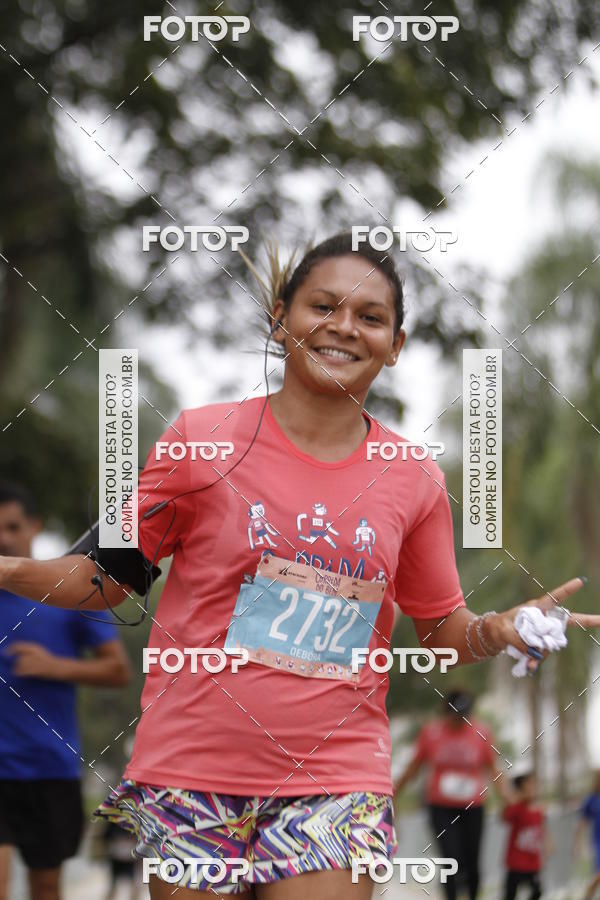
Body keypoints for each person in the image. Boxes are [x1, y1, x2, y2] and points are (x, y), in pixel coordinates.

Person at [0, 232, 597, 900]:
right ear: (280, 319)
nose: (344, 326)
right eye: (324, 306)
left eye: (371, 317)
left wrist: (496, 629)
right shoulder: (198, 439)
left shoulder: (414, 477)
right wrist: (6, 571)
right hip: (192, 768)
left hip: (337, 778)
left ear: (395, 345)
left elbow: (441, 632)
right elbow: (103, 578)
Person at [0, 482, 131, 900]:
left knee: (46, 887)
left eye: (12, 526)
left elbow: (118, 671)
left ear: (34, 526)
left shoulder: (66, 591)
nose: (4, 538)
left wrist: (54, 666)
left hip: (49, 767)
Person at [393, 689, 506, 899]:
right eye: (455, 716)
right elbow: (414, 766)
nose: (460, 720)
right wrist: (393, 792)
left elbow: (493, 770)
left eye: (464, 716)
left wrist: (509, 799)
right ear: (446, 713)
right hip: (441, 808)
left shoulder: (482, 732)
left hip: (473, 808)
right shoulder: (431, 733)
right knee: (451, 858)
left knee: (472, 860)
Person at [502, 772, 549, 900]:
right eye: (528, 785)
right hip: (516, 862)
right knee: (510, 893)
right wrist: (513, 799)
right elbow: (504, 816)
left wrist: (547, 847)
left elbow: (542, 831)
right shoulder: (517, 808)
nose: (532, 788)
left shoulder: (539, 810)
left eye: (534, 785)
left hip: (533, 862)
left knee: (537, 891)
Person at [576, 771, 600, 900]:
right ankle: (587, 897)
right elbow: (582, 823)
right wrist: (578, 844)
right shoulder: (592, 799)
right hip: (598, 841)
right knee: (598, 874)